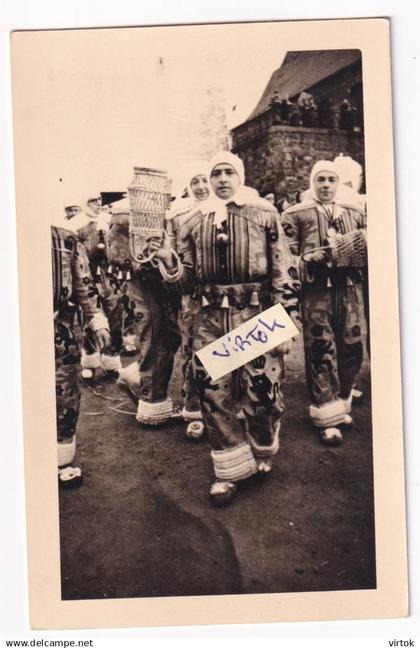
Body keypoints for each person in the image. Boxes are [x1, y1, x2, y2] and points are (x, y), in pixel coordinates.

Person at [154, 151, 300, 506]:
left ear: (240, 176)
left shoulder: (265, 215)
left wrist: (285, 325)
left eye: (227, 172)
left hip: (255, 317)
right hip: (210, 321)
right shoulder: (192, 221)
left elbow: (284, 271)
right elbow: (187, 283)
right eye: (215, 173)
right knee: (213, 394)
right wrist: (172, 265)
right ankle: (230, 467)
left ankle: (262, 444)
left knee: (261, 393)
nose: (220, 179)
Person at [281, 160, 367, 446]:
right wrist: (306, 258)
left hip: (349, 289)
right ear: (312, 183)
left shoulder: (355, 212)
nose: (327, 185)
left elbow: (372, 248)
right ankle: (326, 415)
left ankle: (342, 402)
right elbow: (282, 257)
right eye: (321, 180)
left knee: (352, 346)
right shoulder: (297, 214)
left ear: (339, 182)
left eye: (332, 180)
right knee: (321, 347)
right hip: (316, 292)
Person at [52, 225, 111, 487]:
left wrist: (97, 320)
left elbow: (84, 283)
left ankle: (59, 457)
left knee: (64, 391)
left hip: (58, 328)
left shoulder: (64, 238)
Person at [165, 161, 212, 439]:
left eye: (204, 180)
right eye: (195, 181)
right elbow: (172, 258)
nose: (201, 186)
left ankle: (224, 409)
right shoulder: (179, 216)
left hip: (225, 296)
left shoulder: (230, 210)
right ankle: (194, 408)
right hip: (192, 295)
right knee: (193, 350)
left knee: (227, 352)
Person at [65, 192, 122, 381]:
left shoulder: (108, 219)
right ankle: (90, 360)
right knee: (91, 318)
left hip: (110, 275)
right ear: (85, 203)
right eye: (92, 201)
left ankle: (112, 358)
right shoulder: (76, 224)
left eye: (99, 200)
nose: (98, 203)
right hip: (88, 275)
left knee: (114, 316)